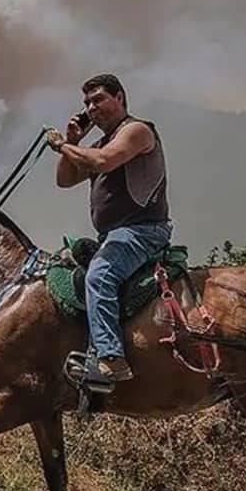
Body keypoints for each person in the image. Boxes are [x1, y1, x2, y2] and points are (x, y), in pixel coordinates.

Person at [45, 73, 172, 391]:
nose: (91, 107)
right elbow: (64, 180)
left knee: (100, 276)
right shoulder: (99, 144)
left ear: (120, 98)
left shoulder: (137, 131)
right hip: (114, 234)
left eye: (98, 99)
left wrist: (62, 145)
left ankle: (111, 360)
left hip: (140, 231)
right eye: (87, 103)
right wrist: (73, 143)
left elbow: (103, 162)